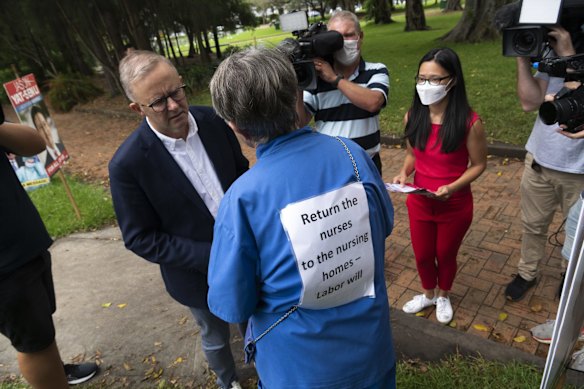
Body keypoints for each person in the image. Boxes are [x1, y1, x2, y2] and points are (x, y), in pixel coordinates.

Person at [207, 46, 396, 388]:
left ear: (236, 127)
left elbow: (233, 304)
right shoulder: (351, 154)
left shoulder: (242, 200)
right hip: (371, 354)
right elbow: (384, 226)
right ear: (297, 96)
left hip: (298, 369)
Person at [108, 50, 249, 389]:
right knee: (215, 336)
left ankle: (265, 364)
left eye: (177, 92)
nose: (173, 106)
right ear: (136, 108)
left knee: (254, 321)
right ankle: (227, 381)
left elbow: (242, 176)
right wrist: (209, 256)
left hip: (247, 254)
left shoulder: (215, 122)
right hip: (195, 275)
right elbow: (140, 237)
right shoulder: (127, 165)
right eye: (158, 101)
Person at [0, 119, 98, 387]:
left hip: (24, 242)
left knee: (41, 330)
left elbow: (33, 143)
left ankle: (56, 371)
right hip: (5, 266)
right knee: (33, 343)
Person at [393, 48, 487, 324]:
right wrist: (402, 173)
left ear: (452, 80)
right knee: (422, 255)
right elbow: (413, 154)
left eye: (435, 79)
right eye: (421, 79)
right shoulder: (413, 116)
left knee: (445, 254)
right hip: (420, 200)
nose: (426, 86)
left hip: (454, 204)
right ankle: (428, 293)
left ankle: (443, 295)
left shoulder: (470, 122)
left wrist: (452, 187)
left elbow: (479, 164)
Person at [504, 26, 584, 302]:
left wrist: (570, 54)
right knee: (533, 225)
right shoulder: (553, 63)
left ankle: (568, 274)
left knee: (576, 236)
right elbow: (529, 102)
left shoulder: (569, 55)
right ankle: (528, 272)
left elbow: (578, 98)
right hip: (539, 161)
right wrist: (521, 56)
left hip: (578, 171)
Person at [296, 10, 389, 174]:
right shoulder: (317, 80)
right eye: (337, 38)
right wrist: (299, 84)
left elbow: (374, 102)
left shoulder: (376, 70)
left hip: (368, 165)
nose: (344, 42)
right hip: (332, 167)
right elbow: (299, 122)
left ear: (361, 37)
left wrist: (334, 79)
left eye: (349, 35)